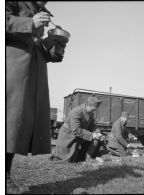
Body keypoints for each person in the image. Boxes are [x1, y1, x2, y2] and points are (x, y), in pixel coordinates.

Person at [6, 1, 69, 193]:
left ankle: (5, 176)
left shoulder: (40, 9)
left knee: (15, 127)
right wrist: (30, 22)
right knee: (8, 123)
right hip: (11, 67)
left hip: (32, 72)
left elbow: (36, 46)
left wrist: (55, 45)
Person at [50, 96, 104, 163]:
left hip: (78, 136)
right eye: (93, 110)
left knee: (96, 141)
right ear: (88, 105)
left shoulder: (90, 113)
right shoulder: (76, 112)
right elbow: (76, 130)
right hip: (68, 137)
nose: (94, 112)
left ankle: (87, 159)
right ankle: (56, 154)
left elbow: (93, 125)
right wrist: (92, 135)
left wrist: (97, 132)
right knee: (69, 160)